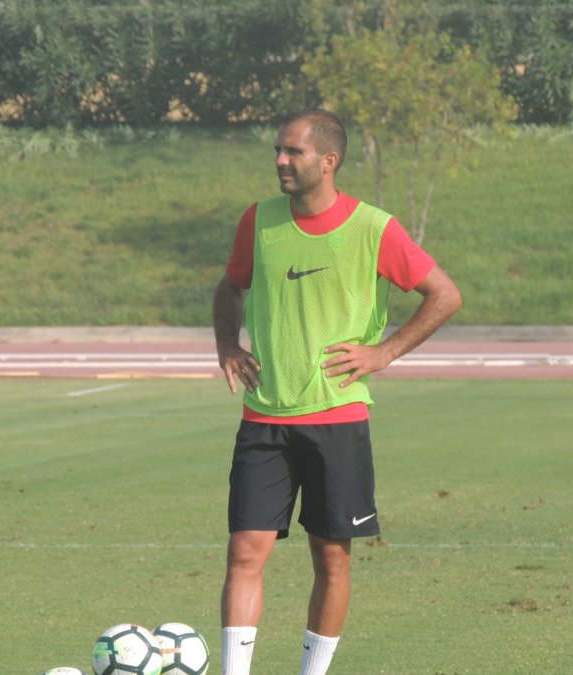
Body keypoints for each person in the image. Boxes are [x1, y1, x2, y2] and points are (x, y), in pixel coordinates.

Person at [212, 109, 462, 675]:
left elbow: (444, 295)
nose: (279, 160)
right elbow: (230, 285)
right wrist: (228, 344)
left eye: (292, 152)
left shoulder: (374, 227)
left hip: (337, 418)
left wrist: (385, 352)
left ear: (328, 161)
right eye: (277, 150)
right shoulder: (259, 220)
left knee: (330, 557)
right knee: (244, 552)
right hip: (265, 418)